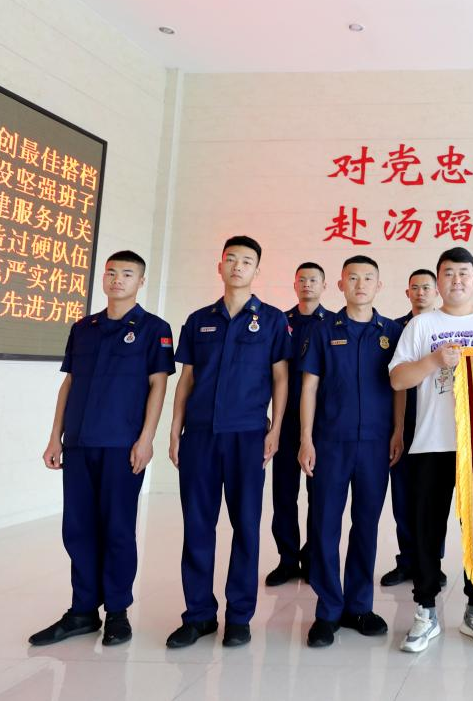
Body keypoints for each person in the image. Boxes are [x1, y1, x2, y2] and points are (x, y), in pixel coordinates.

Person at [29, 251, 175, 647]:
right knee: (78, 529)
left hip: (121, 445)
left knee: (117, 529)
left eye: (127, 274)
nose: (117, 279)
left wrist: (146, 439)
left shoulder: (154, 329)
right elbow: (70, 383)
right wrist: (55, 436)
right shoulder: (84, 328)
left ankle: (117, 613)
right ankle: (82, 611)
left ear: (140, 282)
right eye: (111, 273)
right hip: (79, 443)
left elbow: (158, 385)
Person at [389, 247, 473, 653]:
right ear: (438, 280)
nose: (456, 280)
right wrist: (433, 360)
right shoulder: (422, 325)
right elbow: (397, 380)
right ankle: (425, 610)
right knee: (427, 530)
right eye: (449, 273)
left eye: (464, 273)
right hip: (432, 444)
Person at [166, 236, 291, 649]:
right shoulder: (199, 320)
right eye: (231, 259)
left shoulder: (272, 320)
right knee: (197, 526)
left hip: (247, 436)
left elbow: (281, 379)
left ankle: (239, 616)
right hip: (200, 436)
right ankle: (198, 615)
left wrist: (275, 429)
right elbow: (186, 379)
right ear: (220, 266)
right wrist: (175, 429)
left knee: (245, 526)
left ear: (257, 270)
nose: (238, 266)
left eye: (247, 261)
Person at [298, 256, 405, 647]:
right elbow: (309, 387)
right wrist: (305, 438)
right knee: (324, 525)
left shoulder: (391, 332)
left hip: (376, 444)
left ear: (379, 286)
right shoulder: (323, 330)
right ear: (341, 285)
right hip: (330, 442)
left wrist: (398, 431)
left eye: (368, 278)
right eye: (353, 278)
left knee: (366, 525)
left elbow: (399, 387)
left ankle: (359, 606)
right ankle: (327, 610)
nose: (361, 284)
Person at [265, 262, 329, 587]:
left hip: (322, 422)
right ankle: (287, 558)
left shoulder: (333, 324)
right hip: (286, 420)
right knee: (283, 493)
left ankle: (314, 557)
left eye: (313, 280)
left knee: (320, 494)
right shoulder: (280, 323)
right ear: (294, 285)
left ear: (324, 286)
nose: (307, 284)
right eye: (302, 280)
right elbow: (269, 371)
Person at [381, 268, 442, 588]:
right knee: (403, 497)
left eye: (426, 287)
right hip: (405, 424)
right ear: (407, 293)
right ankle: (407, 561)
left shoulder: (444, 329)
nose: (420, 293)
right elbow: (398, 384)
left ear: (437, 291)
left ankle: (432, 563)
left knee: (434, 499)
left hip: (439, 426)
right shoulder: (396, 330)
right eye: (415, 288)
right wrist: (398, 429)